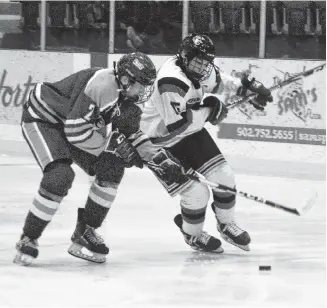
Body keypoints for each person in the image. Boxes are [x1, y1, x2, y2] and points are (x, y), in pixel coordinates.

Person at [14, 52, 186, 265]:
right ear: (125, 79)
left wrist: (162, 161)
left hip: (71, 125)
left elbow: (133, 134)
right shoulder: (103, 85)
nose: (144, 90)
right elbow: (75, 132)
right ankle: (28, 237)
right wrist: (111, 148)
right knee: (60, 176)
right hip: (44, 119)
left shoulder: (128, 102)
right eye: (141, 84)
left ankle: (86, 230)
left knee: (112, 167)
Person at [139, 33, 273, 253]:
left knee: (224, 176)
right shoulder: (170, 81)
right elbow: (178, 126)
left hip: (188, 132)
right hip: (158, 143)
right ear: (185, 56)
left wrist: (246, 88)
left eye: (206, 62)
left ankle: (226, 223)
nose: (202, 67)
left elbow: (220, 84)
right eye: (198, 61)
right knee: (196, 193)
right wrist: (209, 110)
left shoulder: (202, 68)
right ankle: (192, 234)